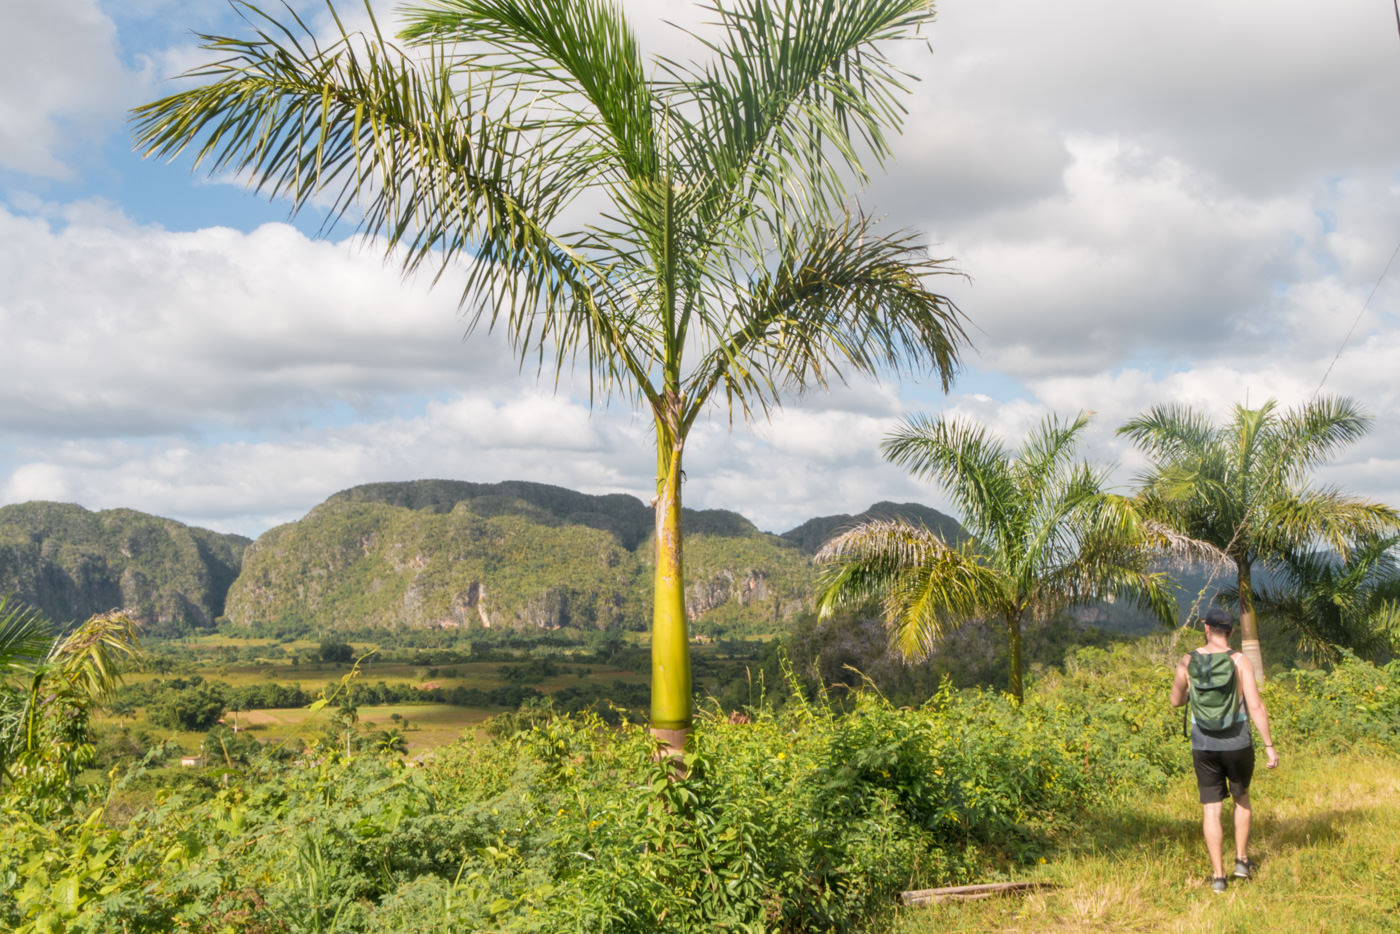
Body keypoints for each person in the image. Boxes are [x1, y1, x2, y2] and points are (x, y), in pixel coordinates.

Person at [1170, 606, 1279, 893]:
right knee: (1241, 798)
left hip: (1203, 744)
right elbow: (1255, 705)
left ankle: (1218, 877)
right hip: (1237, 742)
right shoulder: (1239, 661)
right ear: (1231, 631)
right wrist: (1269, 746)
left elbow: (1175, 701)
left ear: (1206, 628)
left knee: (1211, 808)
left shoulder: (1188, 660)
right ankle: (1241, 861)